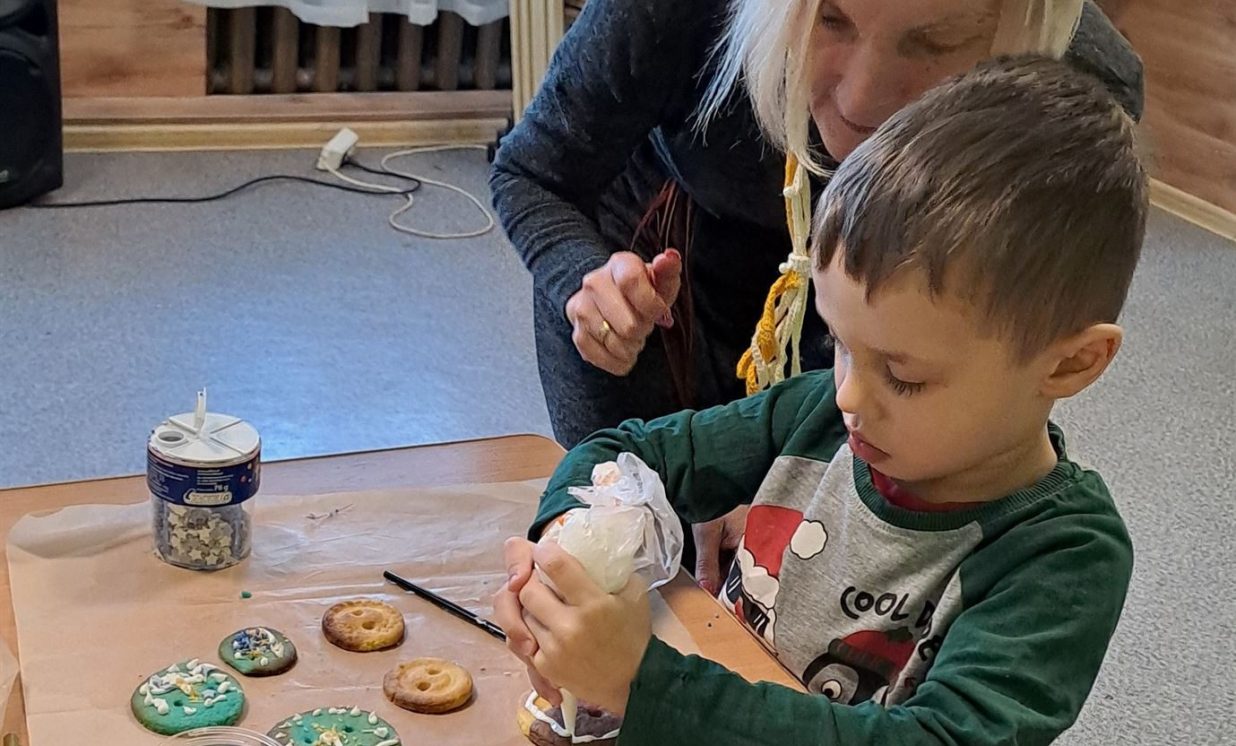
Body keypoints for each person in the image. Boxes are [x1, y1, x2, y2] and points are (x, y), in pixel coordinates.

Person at [495, 55, 1148, 744]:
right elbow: (622, 454)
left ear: (1070, 363)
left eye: (904, 375)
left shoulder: (1063, 556)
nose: (848, 393)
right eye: (839, 342)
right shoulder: (818, 415)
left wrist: (644, 683)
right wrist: (568, 548)